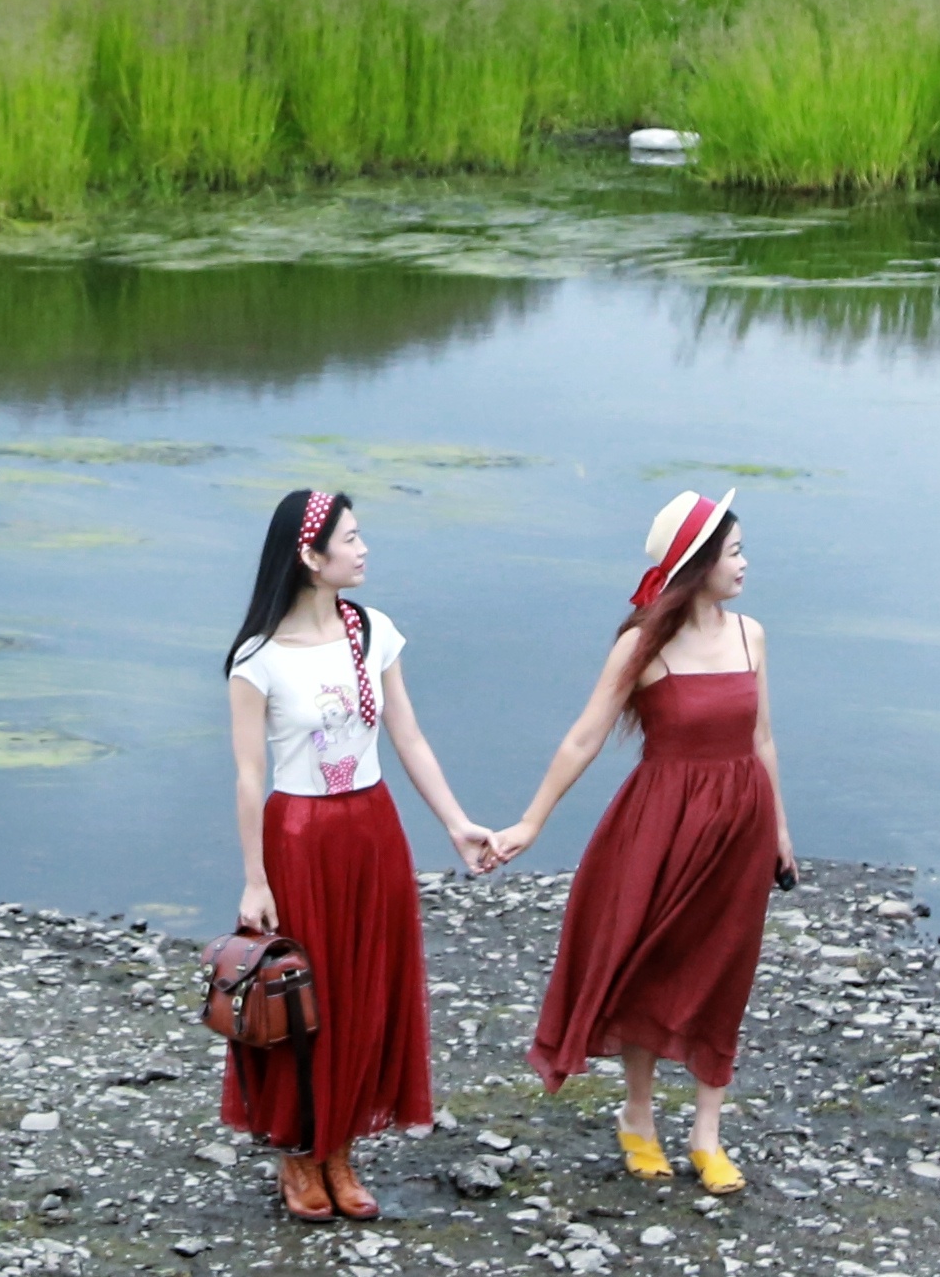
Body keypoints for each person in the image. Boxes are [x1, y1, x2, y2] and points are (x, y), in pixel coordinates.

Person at [221, 487, 506, 1224]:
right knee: (299, 997)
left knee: (363, 989)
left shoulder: (373, 632)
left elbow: (407, 737)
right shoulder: (257, 659)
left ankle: (340, 1146)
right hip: (299, 837)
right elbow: (250, 776)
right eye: (350, 538)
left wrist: (455, 822)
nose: (363, 547)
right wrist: (254, 879)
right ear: (310, 558)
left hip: (372, 829)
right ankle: (298, 1154)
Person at [490, 491, 785, 1194]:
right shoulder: (642, 643)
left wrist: (781, 835)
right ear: (699, 561)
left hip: (741, 823)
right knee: (651, 964)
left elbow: (764, 738)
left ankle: (708, 1135)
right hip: (662, 824)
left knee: (726, 970)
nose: (745, 563)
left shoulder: (752, 636)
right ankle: (639, 1117)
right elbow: (586, 735)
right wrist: (531, 822)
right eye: (734, 551)